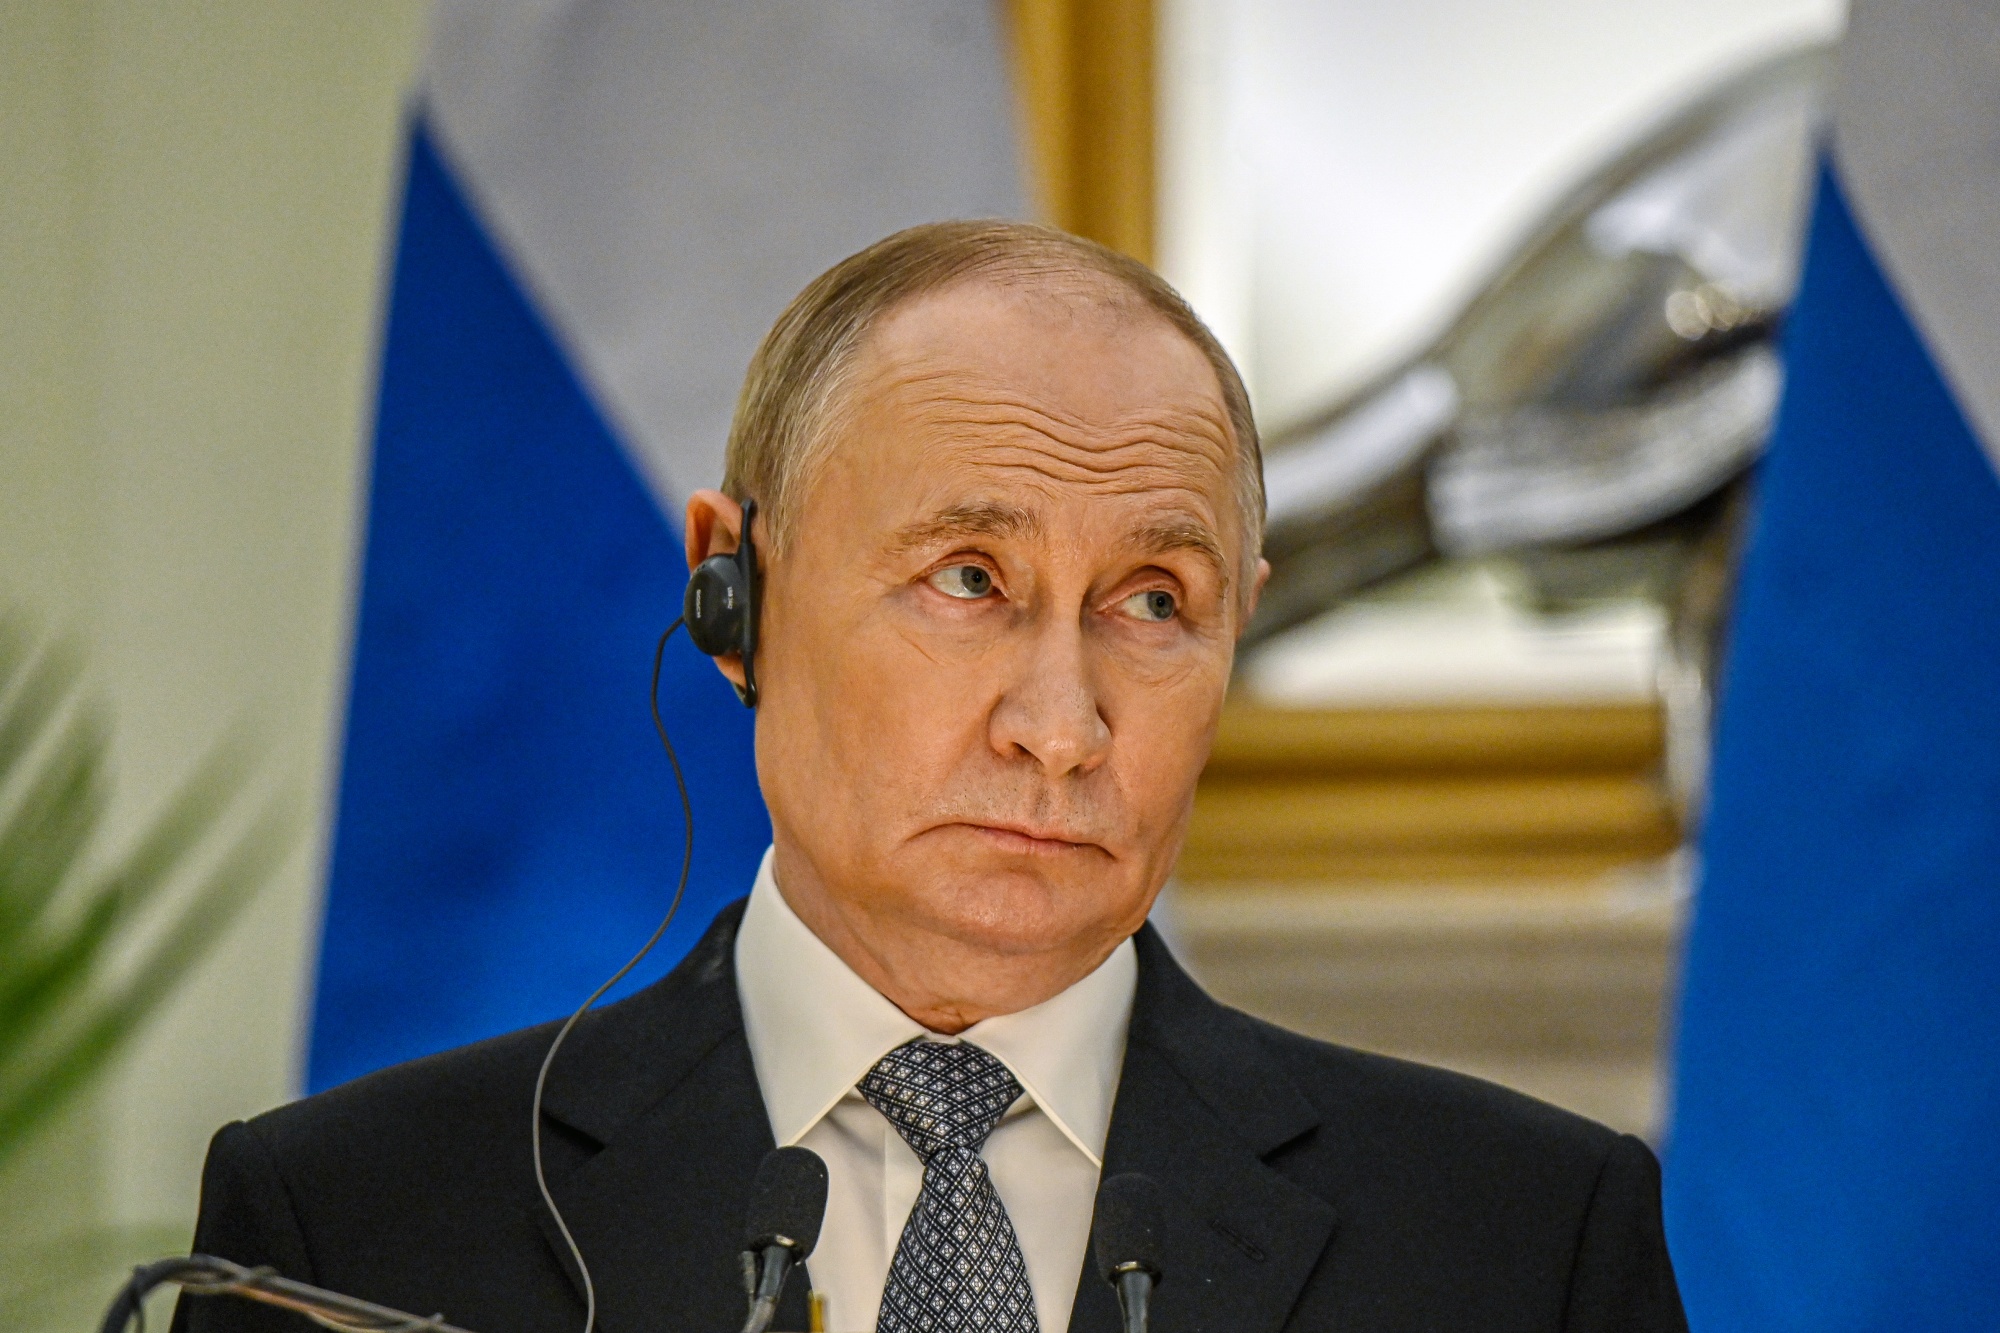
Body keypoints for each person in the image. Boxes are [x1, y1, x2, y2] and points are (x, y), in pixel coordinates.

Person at [176, 222, 1686, 1333]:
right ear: (735, 595)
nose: (1062, 727)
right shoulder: (349, 1232)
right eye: (969, 578)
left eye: (1155, 601)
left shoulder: (1523, 1245)